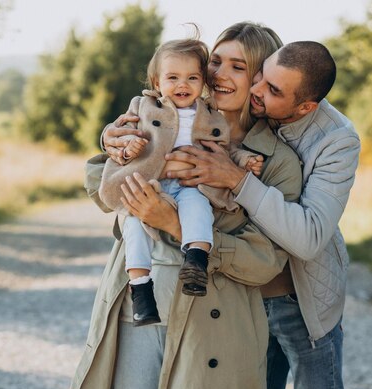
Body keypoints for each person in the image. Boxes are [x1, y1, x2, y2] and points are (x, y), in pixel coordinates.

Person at [61, 22, 302, 389]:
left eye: (238, 67)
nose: (219, 74)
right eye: (216, 61)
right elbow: (98, 186)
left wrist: (172, 222)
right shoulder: (160, 121)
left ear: (260, 78)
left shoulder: (275, 161)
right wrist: (117, 145)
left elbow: (264, 263)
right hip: (139, 304)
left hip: (214, 325)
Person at [164, 41, 361, 389]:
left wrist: (239, 179)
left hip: (299, 297)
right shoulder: (226, 110)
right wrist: (113, 136)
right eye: (261, 76)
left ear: (304, 107)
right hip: (244, 296)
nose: (257, 90)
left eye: (273, 91)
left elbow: (309, 237)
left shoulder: (336, 140)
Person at [99, 34, 266, 327]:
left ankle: (196, 260)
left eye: (192, 78)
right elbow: (122, 134)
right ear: (156, 82)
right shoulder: (143, 106)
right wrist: (124, 145)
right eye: (173, 77)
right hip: (149, 182)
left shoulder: (210, 115)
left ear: (202, 82)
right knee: (134, 224)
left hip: (189, 185)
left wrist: (242, 161)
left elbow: (224, 148)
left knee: (198, 208)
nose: (182, 85)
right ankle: (140, 289)